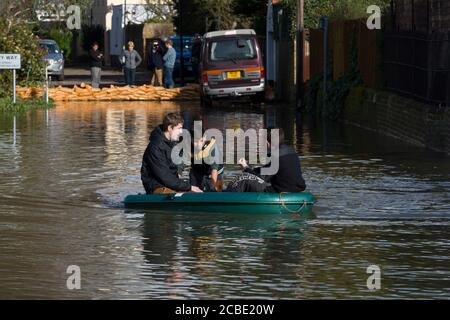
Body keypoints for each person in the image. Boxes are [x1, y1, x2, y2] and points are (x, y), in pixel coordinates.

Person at [226, 128, 306, 193]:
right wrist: (248, 167)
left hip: (278, 190)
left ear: (268, 143)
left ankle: (225, 197)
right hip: (297, 188)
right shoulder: (291, 151)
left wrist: (246, 168)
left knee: (244, 178)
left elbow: (261, 178)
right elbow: (267, 170)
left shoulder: (276, 157)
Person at [141, 113, 203, 194]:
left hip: (172, 185)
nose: (181, 131)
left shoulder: (174, 144)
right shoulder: (155, 148)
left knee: (195, 192)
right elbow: (165, 176)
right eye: (179, 128)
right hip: (157, 187)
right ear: (170, 128)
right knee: (185, 193)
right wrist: (189, 187)